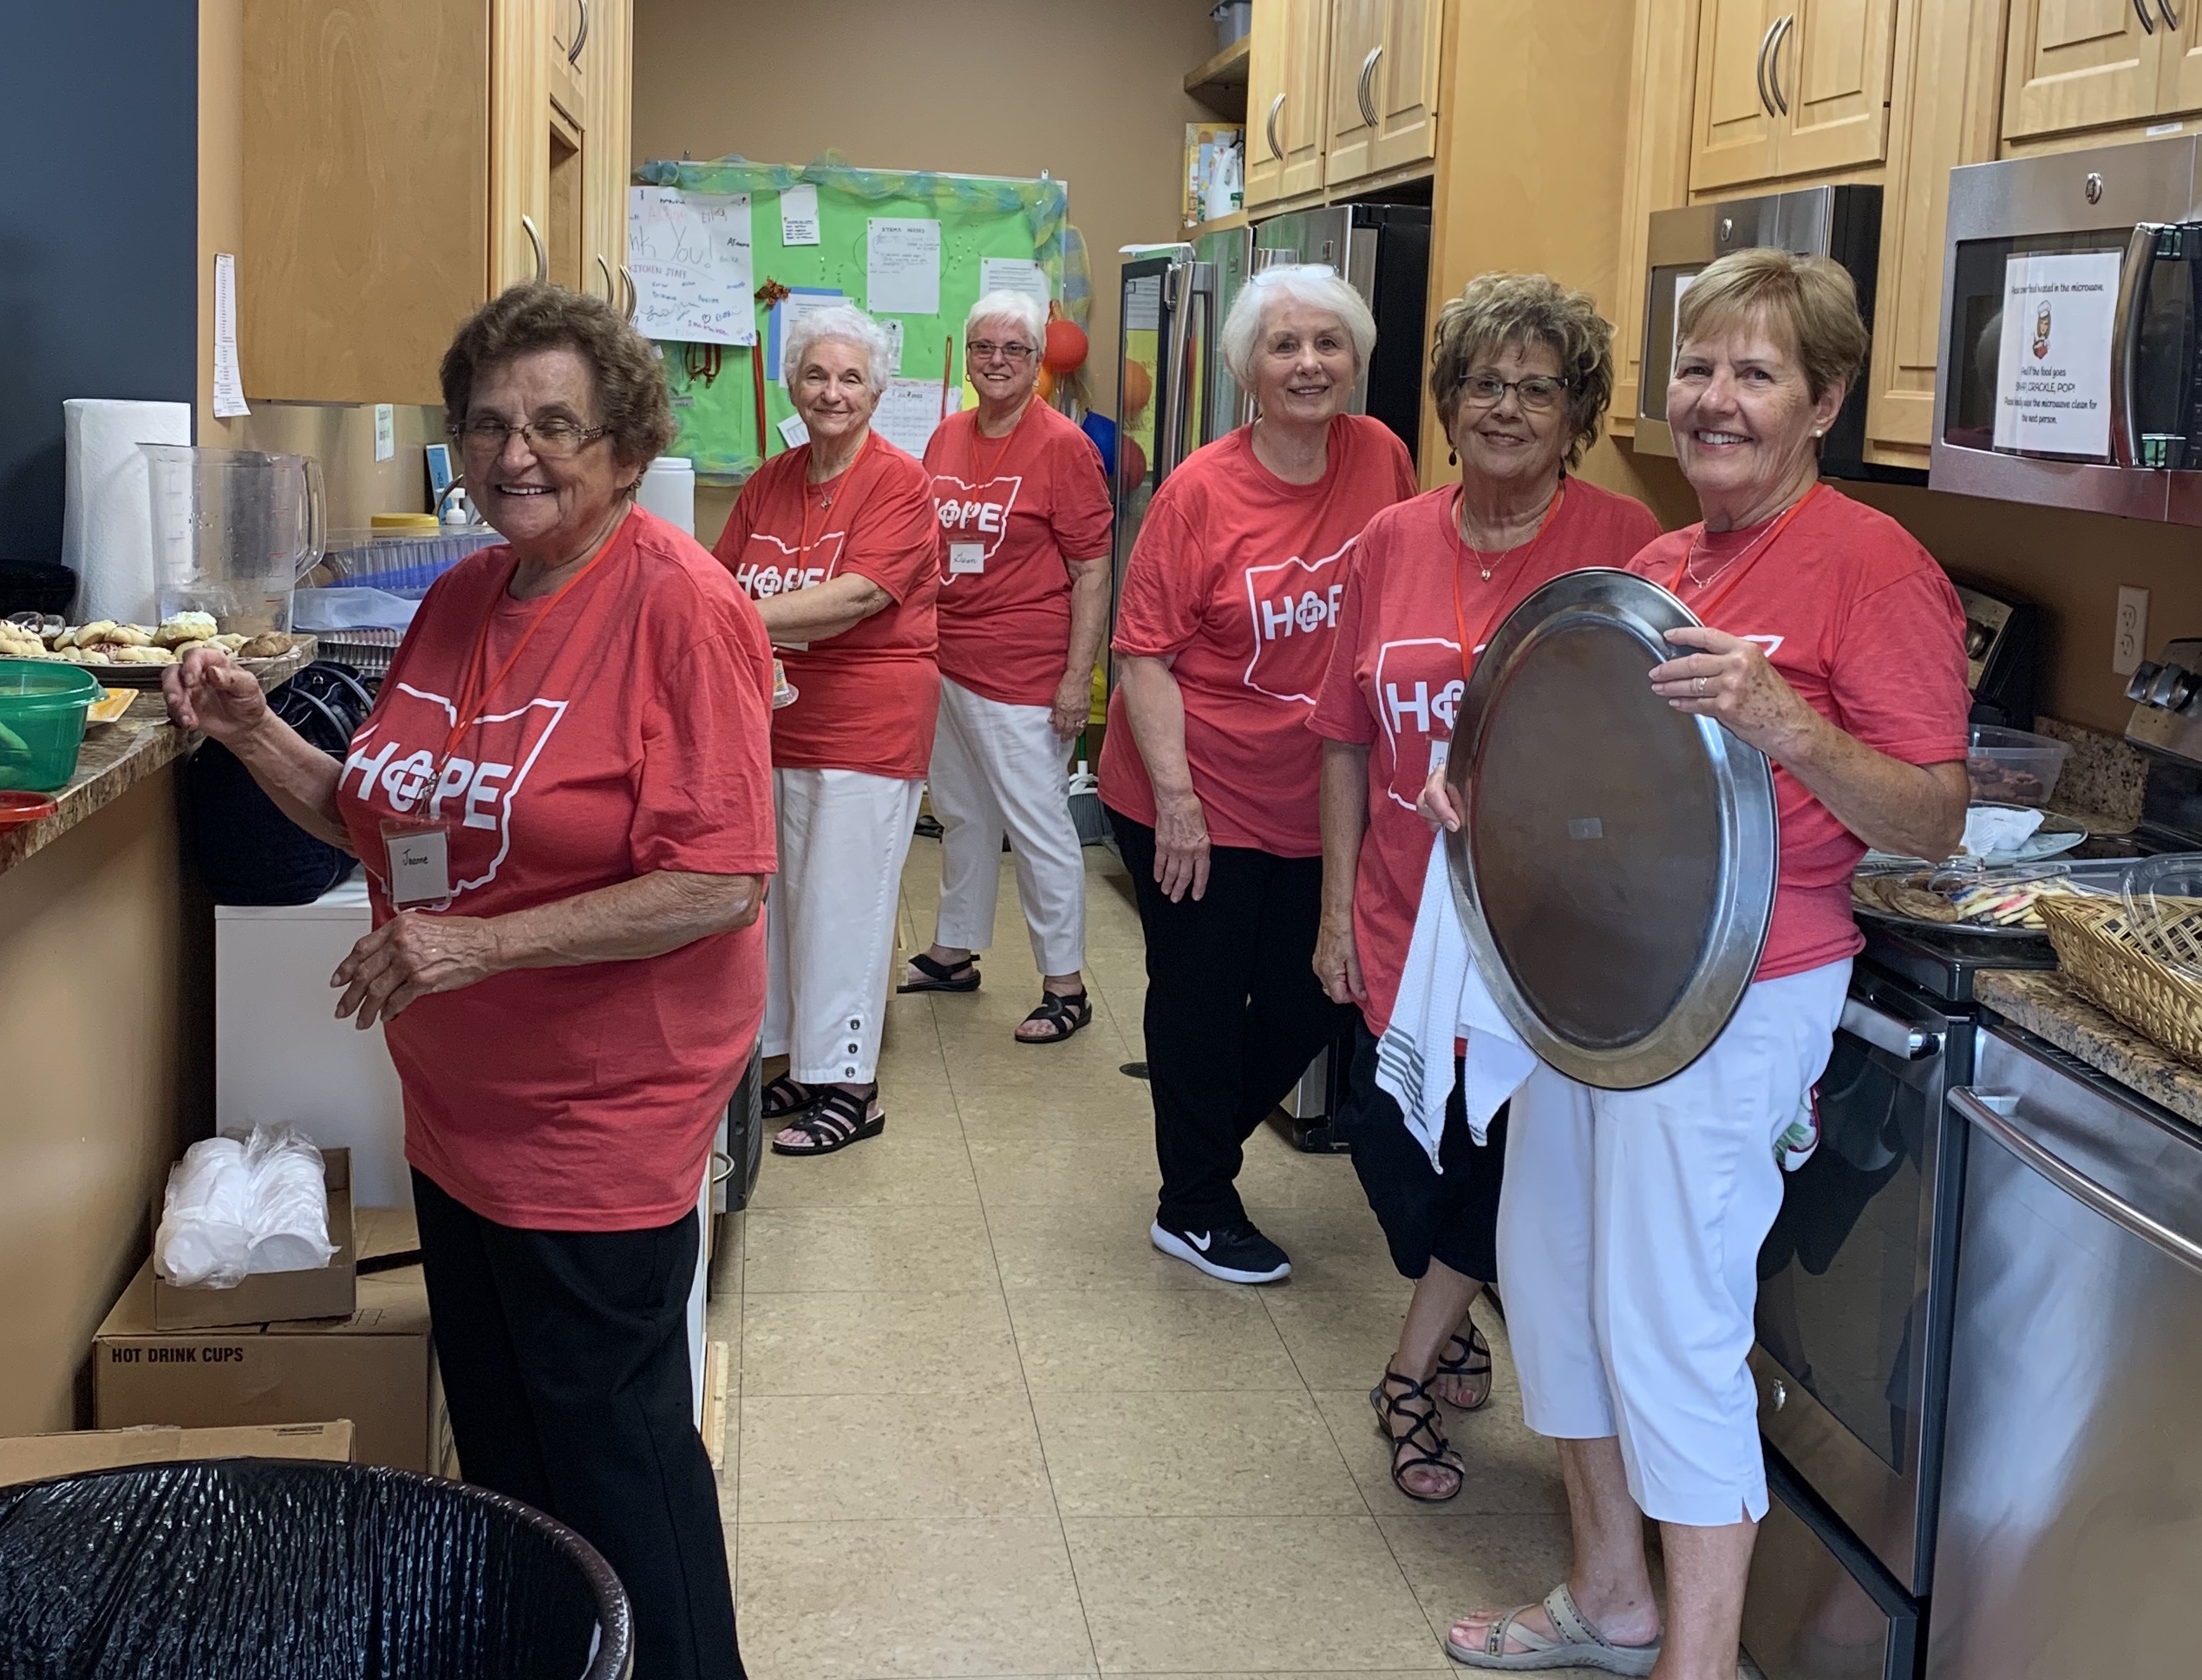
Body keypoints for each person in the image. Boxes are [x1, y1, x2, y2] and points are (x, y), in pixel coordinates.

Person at [163, 282, 772, 1680]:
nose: (517, 453)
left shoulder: (681, 608)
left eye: (557, 424)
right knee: (509, 1463)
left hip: (597, 1121)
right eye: (489, 423)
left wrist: (470, 945)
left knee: (617, 1463)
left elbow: (719, 878)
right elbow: (392, 816)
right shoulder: (461, 599)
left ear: (623, 447)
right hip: (458, 1115)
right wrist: (258, 735)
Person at [1426, 249, 1969, 1677]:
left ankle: (1699, 1659)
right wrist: (1483, 792)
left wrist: (1786, 725)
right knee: (1549, 1289)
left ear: (1821, 401)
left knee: (1666, 1320)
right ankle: (1610, 1596)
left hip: (1743, 988)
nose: (1713, 400)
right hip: (1590, 983)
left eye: (1752, 372)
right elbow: (1591, 771)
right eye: (1696, 368)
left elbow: (1927, 813)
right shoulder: (1660, 567)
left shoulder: (1875, 566)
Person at [1310, 273, 1659, 1502]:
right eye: (1480, 384)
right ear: (1446, 405)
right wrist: (1333, 909)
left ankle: (1406, 1370)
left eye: (1534, 387)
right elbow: (1344, 736)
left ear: (1575, 415)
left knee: (1498, 1165)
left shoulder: (1629, 550)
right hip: (1403, 915)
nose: (1503, 407)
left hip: (1551, 940)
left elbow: (1664, 747)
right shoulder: (1389, 543)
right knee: (1389, 1144)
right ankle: (1448, 1306)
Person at [1102, 263, 1418, 1286]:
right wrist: (1181, 804)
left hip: (1322, 791)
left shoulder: (1382, 458)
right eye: (1284, 346)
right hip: (1192, 785)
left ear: (1357, 357)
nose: (1309, 363)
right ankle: (1191, 1201)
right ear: (1246, 368)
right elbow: (1142, 651)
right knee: (1197, 995)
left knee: (1317, 992)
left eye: (1328, 343)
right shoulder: (1201, 490)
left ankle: (1196, 1139)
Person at [712, 303, 941, 1156]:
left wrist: (739, 619)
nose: (832, 391)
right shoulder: (771, 479)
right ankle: (802, 1068)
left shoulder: (899, 483)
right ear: (792, 384)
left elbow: (857, 595)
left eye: (850, 377)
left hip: (866, 726)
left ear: (876, 390)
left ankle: (852, 1084)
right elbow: (718, 573)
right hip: (770, 725)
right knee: (786, 909)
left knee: (844, 907)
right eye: (816, 374)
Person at [899, 289, 1114, 1043]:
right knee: (961, 812)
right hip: (945, 659)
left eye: (1013, 351)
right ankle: (954, 952)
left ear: (1035, 363)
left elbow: (1092, 569)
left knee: (1037, 826)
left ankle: (1065, 985)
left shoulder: (1063, 447)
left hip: (1025, 670)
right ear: (969, 357)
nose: (996, 362)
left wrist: (1072, 682)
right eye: (983, 349)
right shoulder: (945, 437)